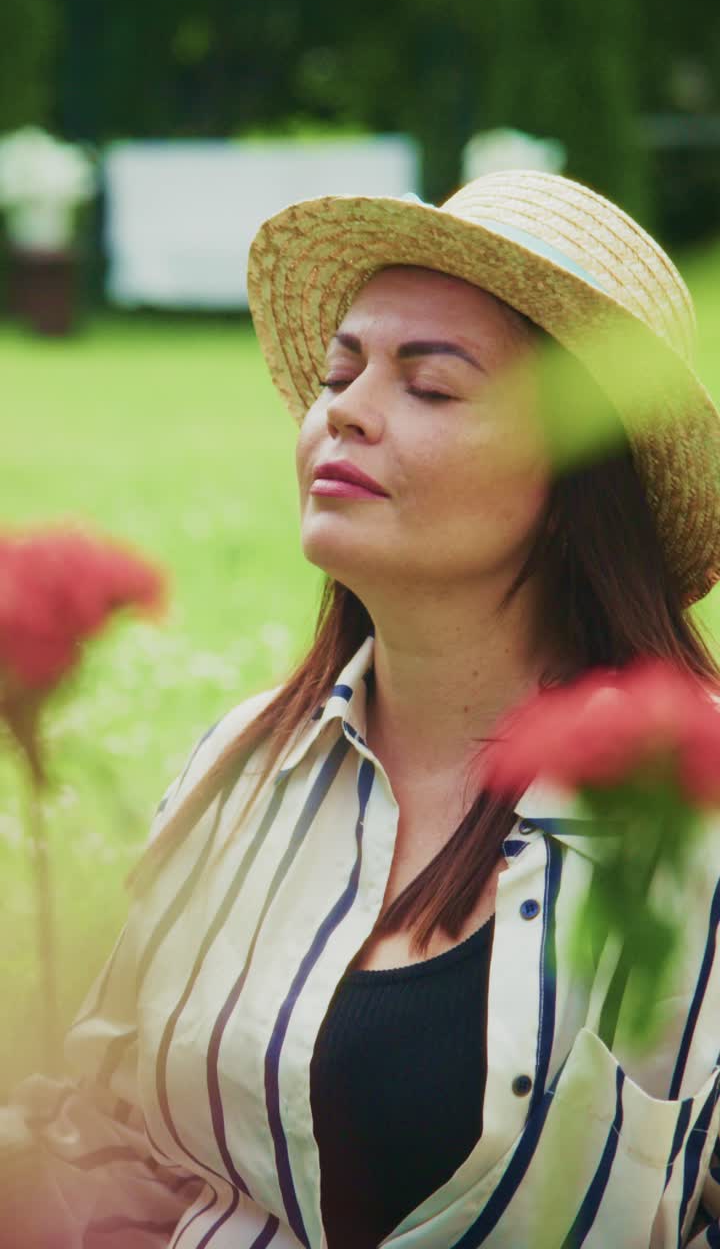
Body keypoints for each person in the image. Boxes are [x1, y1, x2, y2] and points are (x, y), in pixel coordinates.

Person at [3, 169, 720, 1249]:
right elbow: (108, 1133)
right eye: (342, 370)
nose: (344, 409)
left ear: (579, 482)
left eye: (428, 386)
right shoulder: (234, 770)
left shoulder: (691, 812)